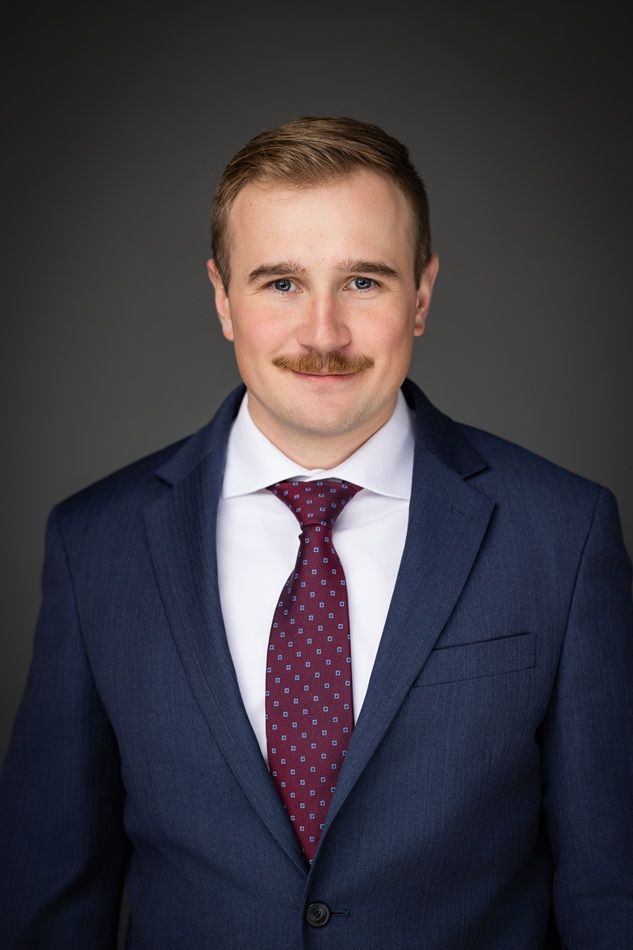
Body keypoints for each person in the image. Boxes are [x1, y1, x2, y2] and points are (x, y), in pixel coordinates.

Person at [1, 116, 631, 949]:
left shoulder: (561, 533)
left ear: (421, 295)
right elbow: (49, 898)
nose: (323, 335)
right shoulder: (96, 545)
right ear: (223, 299)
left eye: (363, 282)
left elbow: (610, 891)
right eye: (280, 283)